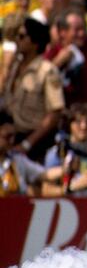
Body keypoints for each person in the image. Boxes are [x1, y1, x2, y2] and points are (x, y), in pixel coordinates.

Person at [4, 18, 65, 162]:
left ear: (35, 42)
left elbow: (55, 113)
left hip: (34, 141)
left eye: (22, 37)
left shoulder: (47, 71)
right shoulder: (15, 66)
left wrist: (27, 144)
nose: (17, 41)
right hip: (11, 135)